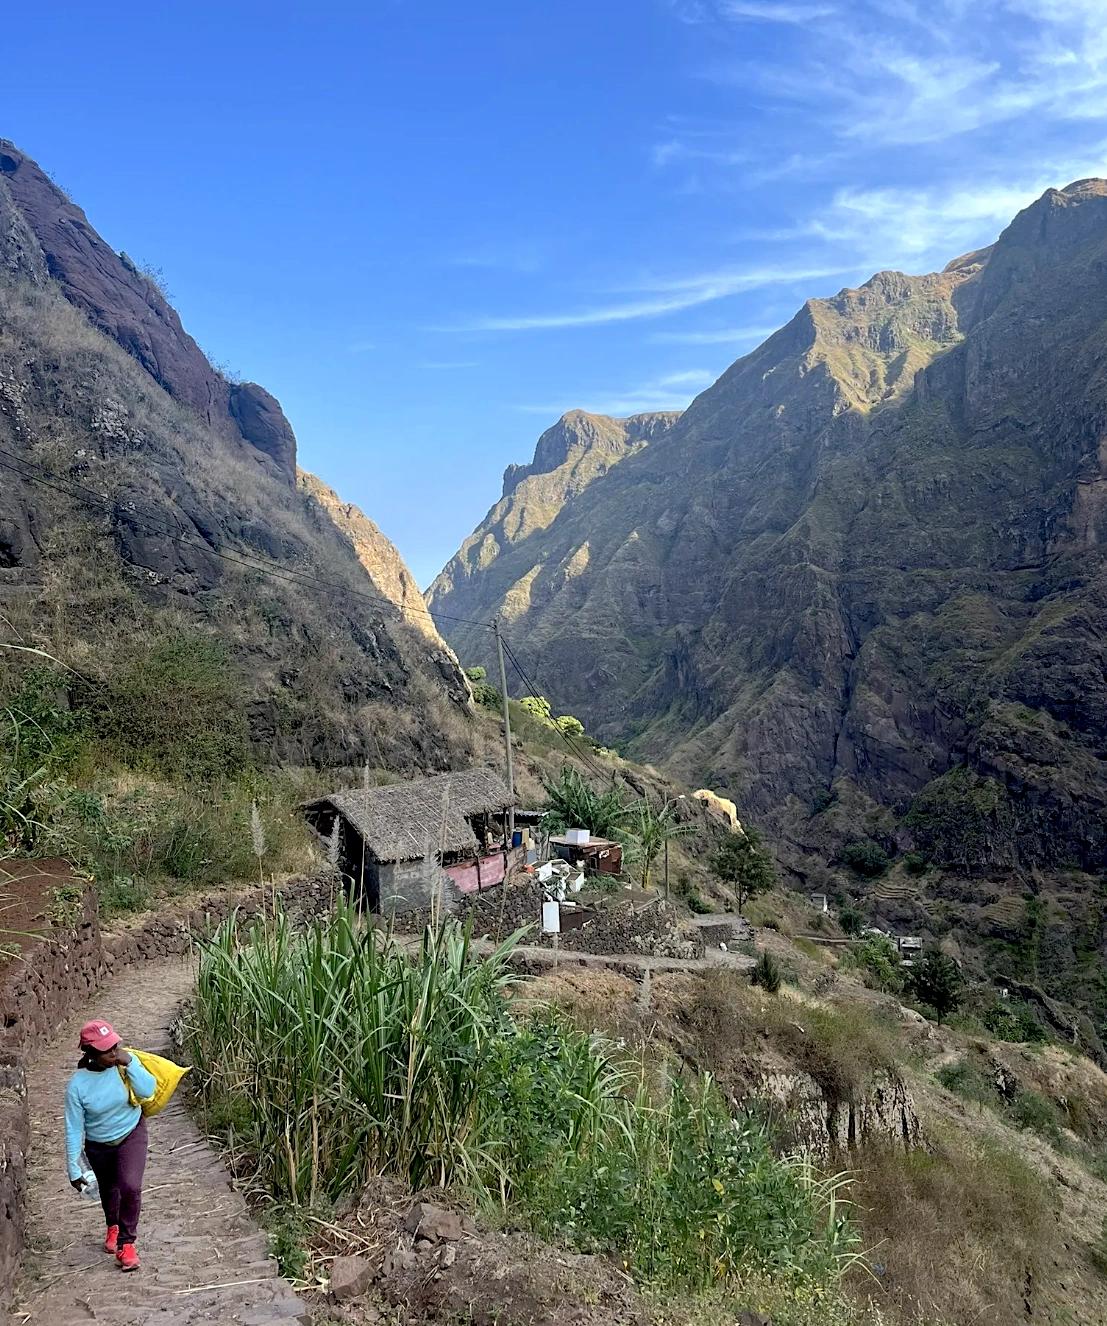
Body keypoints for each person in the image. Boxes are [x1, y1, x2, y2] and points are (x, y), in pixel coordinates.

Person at [65, 1018, 157, 1272]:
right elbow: (73, 1128)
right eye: (108, 1050)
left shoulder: (122, 1066)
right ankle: (112, 1225)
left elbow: (148, 1090)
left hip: (131, 1133)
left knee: (130, 1185)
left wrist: (131, 1064)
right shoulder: (77, 1086)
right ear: (91, 1054)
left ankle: (127, 1244)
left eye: (115, 1045)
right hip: (99, 1144)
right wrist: (74, 1168)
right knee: (109, 1190)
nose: (114, 1052)